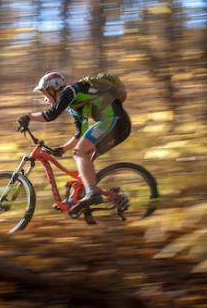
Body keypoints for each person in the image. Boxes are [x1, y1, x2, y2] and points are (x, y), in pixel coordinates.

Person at [17, 71, 131, 215]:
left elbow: (51, 115)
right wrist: (62, 149)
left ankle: (92, 193)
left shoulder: (70, 92)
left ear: (52, 89)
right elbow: (80, 134)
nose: (45, 99)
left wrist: (28, 117)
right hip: (119, 126)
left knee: (79, 152)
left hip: (114, 121)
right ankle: (111, 197)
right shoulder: (74, 105)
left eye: (44, 93)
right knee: (84, 158)